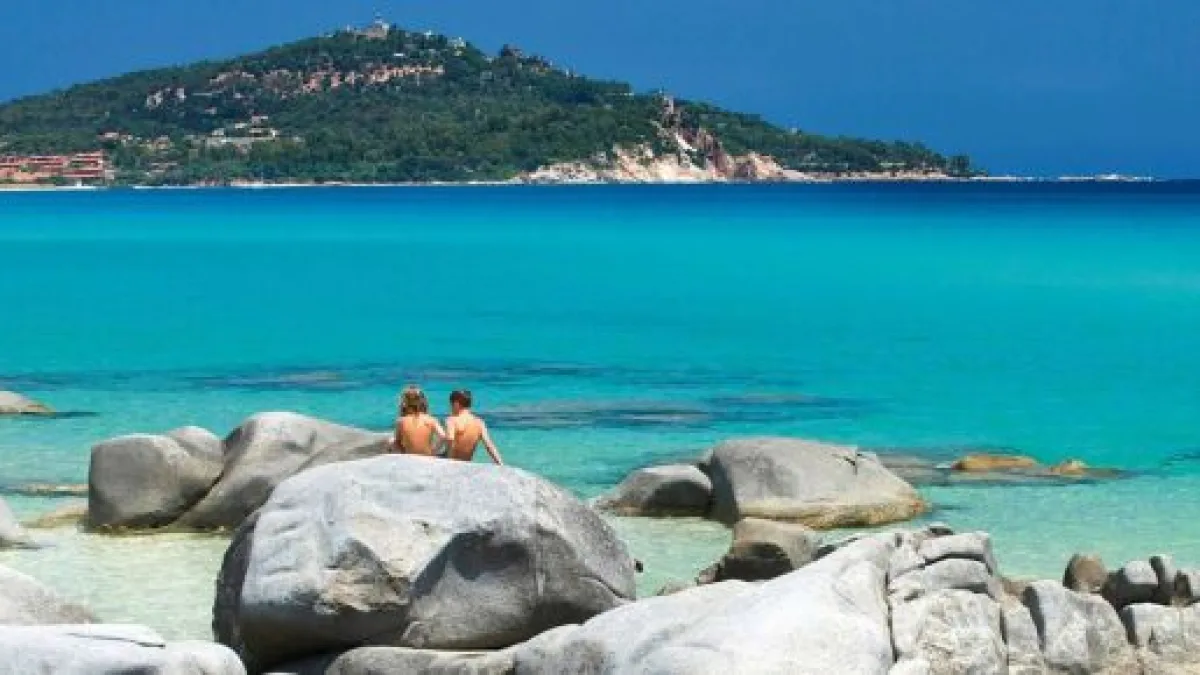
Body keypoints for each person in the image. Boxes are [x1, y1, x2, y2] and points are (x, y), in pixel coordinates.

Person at [444, 389, 504, 465]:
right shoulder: (479, 422)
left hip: (453, 461)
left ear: (456, 404)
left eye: (451, 405)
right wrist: (500, 464)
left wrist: (449, 462)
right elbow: (489, 445)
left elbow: (450, 440)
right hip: (467, 461)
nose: (451, 408)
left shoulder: (451, 420)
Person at [391, 385, 446, 456]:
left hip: (409, 457)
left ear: (404, 403)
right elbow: (443, 437)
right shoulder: (431, 419)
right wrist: (433, 452)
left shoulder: (401, 421)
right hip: (427, 456)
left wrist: (403, 452)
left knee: (391, 441)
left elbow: (397, 442)